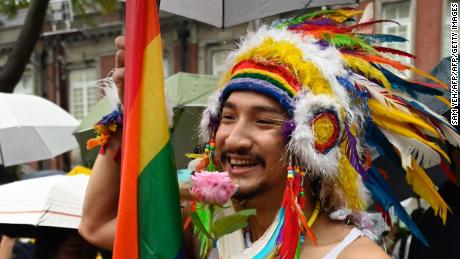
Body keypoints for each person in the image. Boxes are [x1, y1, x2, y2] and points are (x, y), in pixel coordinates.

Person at [79, 8, 458, 259]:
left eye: (263, 121)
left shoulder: (352, 255)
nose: (235, 138)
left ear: (313, 140)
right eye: (227, 118)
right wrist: (129, 123)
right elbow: (97, 226)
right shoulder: (208, 228)